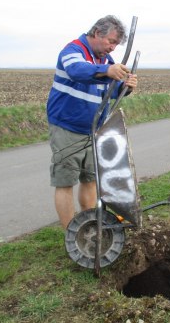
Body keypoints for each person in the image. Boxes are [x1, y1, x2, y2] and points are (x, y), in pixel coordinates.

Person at [47, 15, 138, 229]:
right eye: (111, 42)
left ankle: (87, 227)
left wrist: (127, 87)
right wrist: (108, 71)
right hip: (67, 127)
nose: (113, 49)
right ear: (98, 33)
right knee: (65, 181)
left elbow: (111, 90)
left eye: (116, 44)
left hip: (94, 130)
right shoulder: (73, 51)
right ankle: (72, 234)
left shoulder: (104, 60)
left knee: (89, 179)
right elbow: (77, 71)